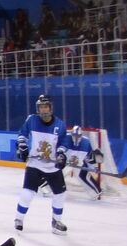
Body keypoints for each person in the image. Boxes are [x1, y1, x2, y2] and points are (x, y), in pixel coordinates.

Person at [14, 95, 70, 233]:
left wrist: (61, 154)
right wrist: (22, 146)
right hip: (35, 164)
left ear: (50, 108)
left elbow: (64, 142)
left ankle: (56, 221)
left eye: (46, 107)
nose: (43, 110)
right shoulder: (32, 120)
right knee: (27, 193)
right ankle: (19, 219)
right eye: (41, 107)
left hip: (52, 166)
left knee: (60, 194)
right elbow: (22, 134)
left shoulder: (60, 124)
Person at [66, 125, 103, 199]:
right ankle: (46, 188)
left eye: (78, 135)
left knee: (83, 176)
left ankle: (96, 192)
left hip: (79, 162)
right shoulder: (65, 138)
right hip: (66, 161)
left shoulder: (86, 142)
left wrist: (93, 167)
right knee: (55, 172)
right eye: (74, 135)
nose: (76, 137)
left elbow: (88, 157)